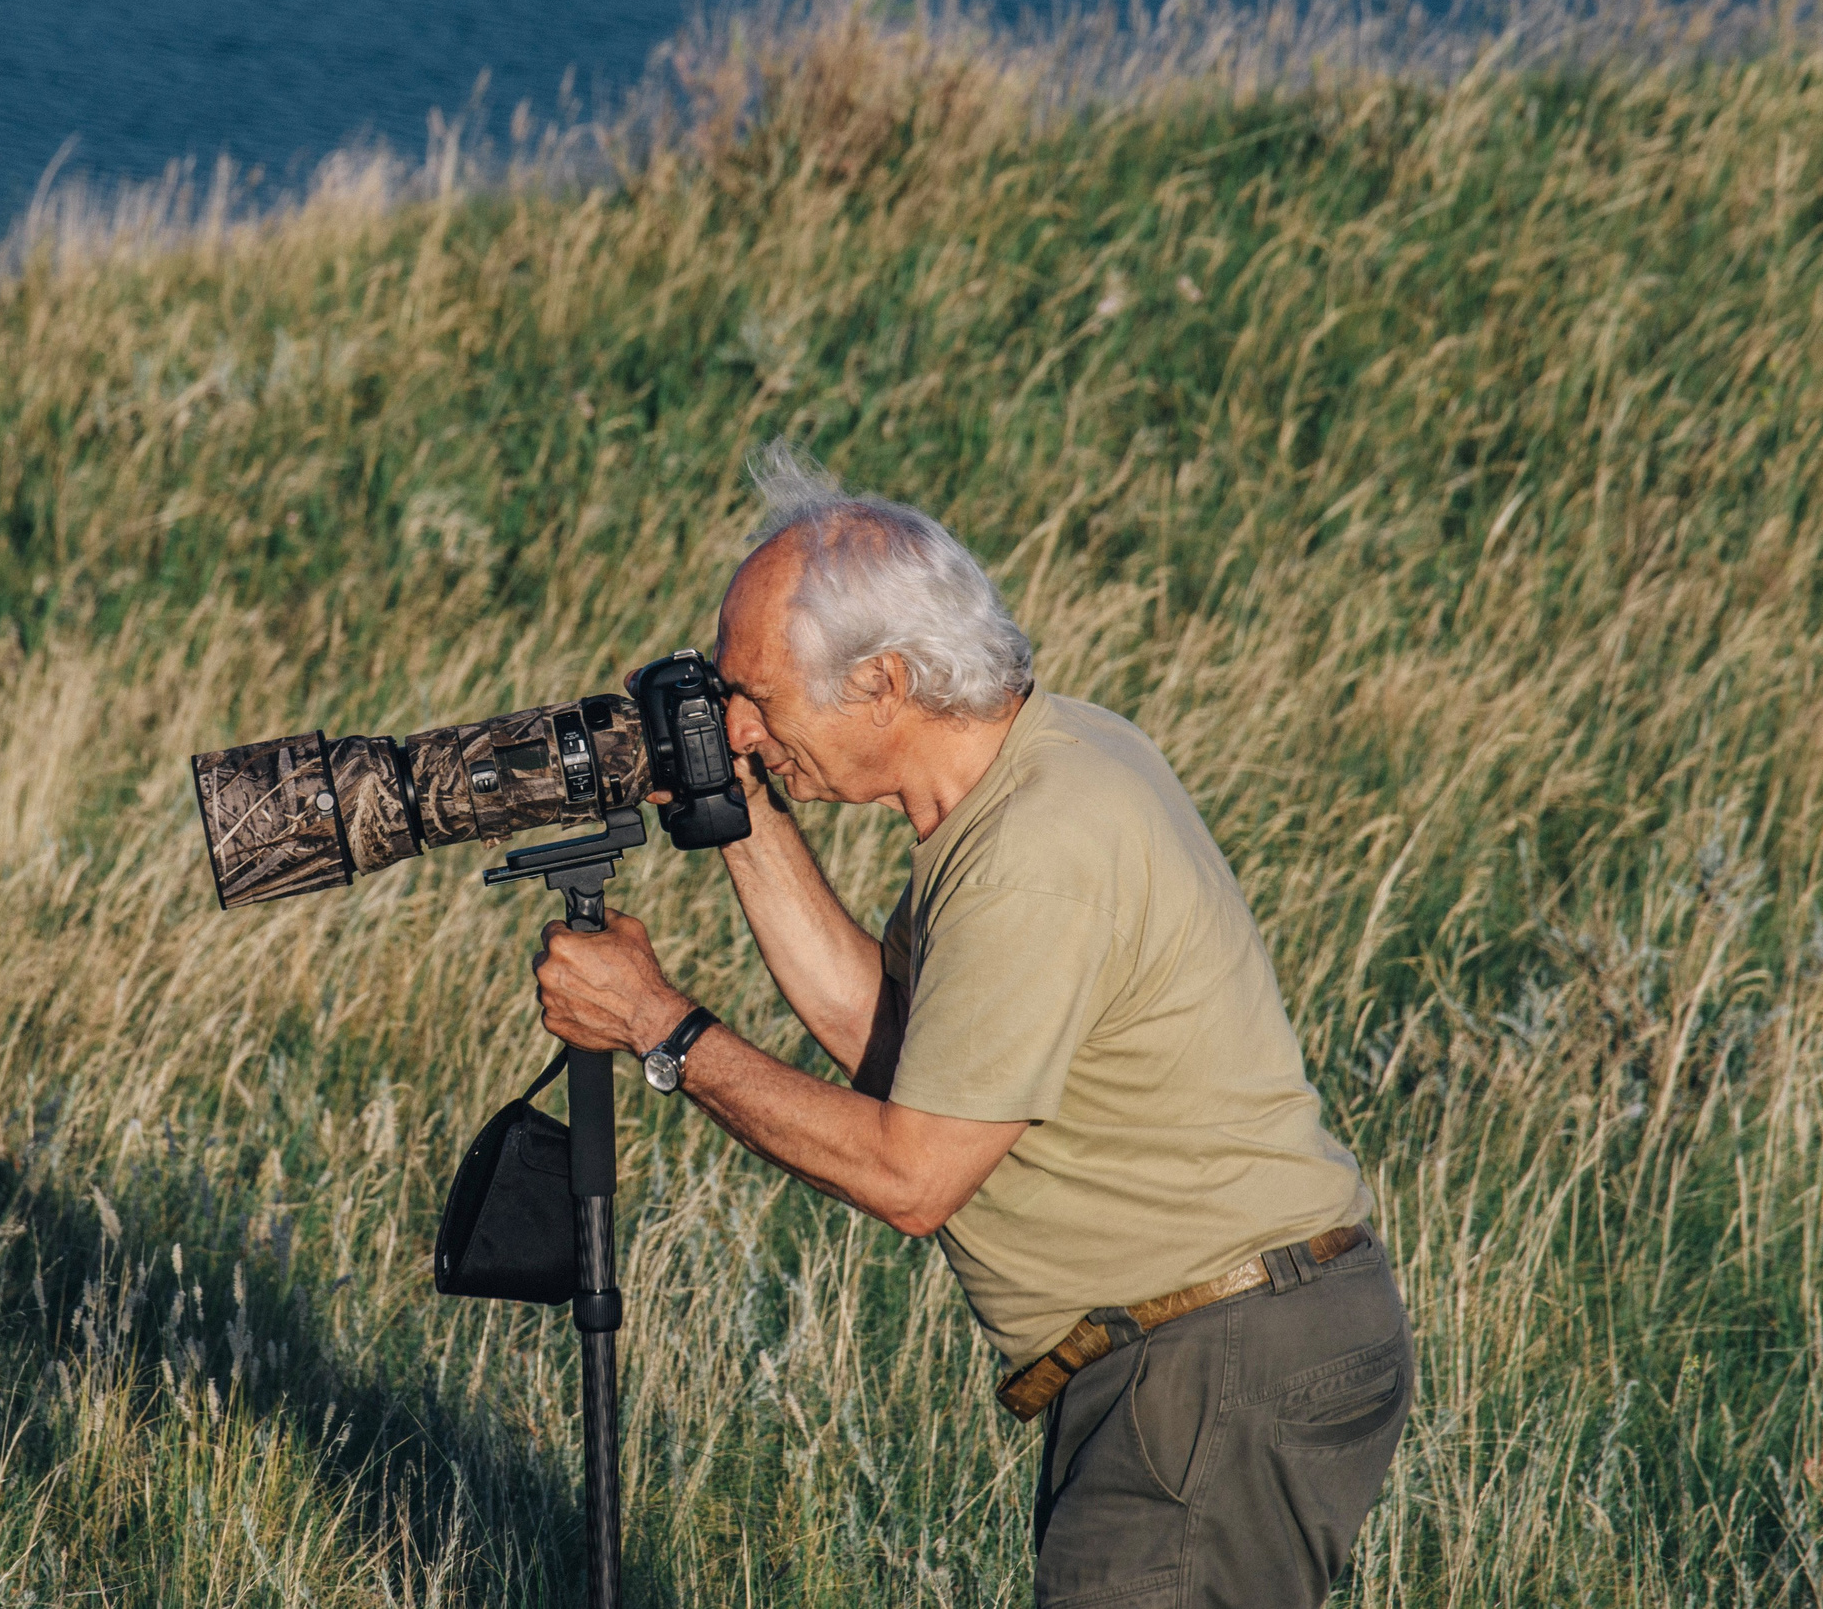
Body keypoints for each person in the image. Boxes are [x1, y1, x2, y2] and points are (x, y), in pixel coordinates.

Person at [530, 443, 1411, 1607]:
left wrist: (659, 1026)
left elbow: (913, 1175)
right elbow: (891, 1042)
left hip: (1216, 1359)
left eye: (756, 697)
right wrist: (731, 802)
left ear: (883, 682)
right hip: (1215, 1348)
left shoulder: (1030, 854)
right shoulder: (1039, 768)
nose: (740, 725)